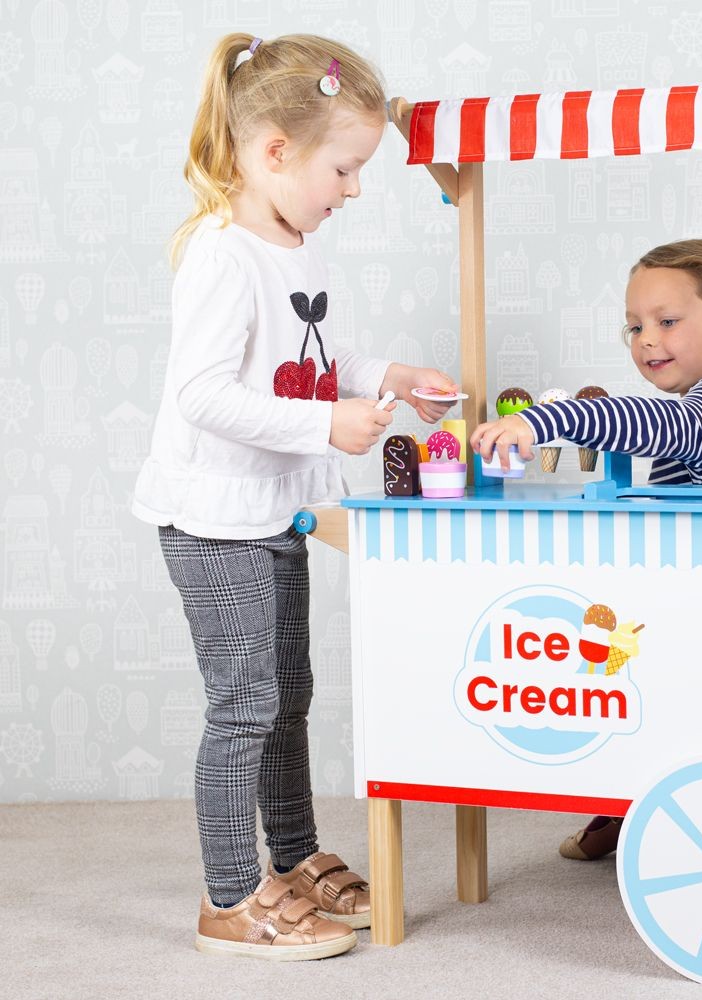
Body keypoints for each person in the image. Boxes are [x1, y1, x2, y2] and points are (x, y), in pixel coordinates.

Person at [132, 33, 456, 960]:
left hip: (274, 509)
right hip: (214, 519)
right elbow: (203, 395)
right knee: (245, 704)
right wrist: (324, 426)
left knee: (289, 695)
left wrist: (388, 376)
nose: (352, 191)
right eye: (344, 169)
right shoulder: (222, 256)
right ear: (276, 151)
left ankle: (295, 853)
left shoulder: (294, 248)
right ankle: (231, 897)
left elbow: (308, 357)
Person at [469, 238, 702, 860]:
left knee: (610, 670)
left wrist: (543, 421)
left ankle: (636, 803)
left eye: (667, 322)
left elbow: (652, 424)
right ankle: (626, 800)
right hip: (695, 593)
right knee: (617, 662)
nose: (646, 340)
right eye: (635, 326)